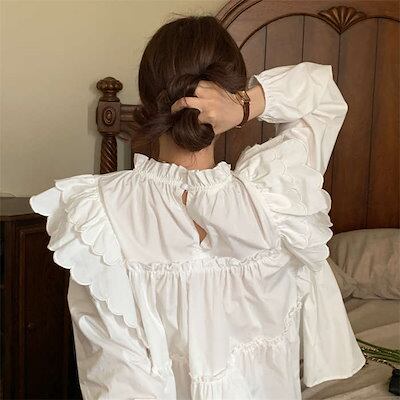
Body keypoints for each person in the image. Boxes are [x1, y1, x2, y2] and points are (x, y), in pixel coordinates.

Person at [29, 15, 365, 400]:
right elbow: (322, 96)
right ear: (229, 93)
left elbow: (115, 381)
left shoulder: (100, 216)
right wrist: (246, 105)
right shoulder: (279, 201)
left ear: (149, 98)